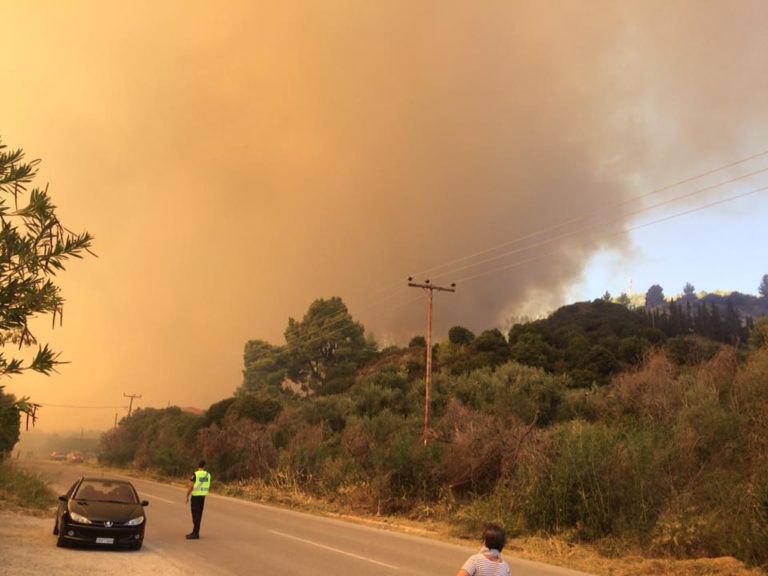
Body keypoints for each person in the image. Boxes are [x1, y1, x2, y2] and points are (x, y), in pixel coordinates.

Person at [185, 460, 211, 540]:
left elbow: (191, 486)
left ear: (198, 466)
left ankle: (195, 533)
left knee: (195, 514)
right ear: (204, 466)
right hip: (202, 497)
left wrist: (187, 496)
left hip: (196, 496)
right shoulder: (208, 475)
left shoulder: (195, 474)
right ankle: (196, 532)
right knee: (199, 514)